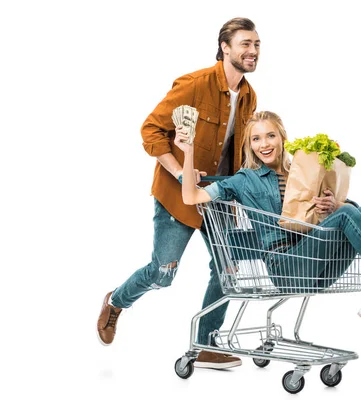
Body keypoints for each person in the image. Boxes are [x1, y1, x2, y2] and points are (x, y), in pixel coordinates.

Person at [175, 111, 361, 337]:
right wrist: (187, 152)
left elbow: (328, 220)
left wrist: (332, 206)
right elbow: (192, 196)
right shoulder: (244, 179)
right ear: (250, 145)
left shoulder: (303, 172)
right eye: (257, 139)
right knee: (349, 214)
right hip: (286, 265)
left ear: (282, 137)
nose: (264, 144)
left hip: (316, 260)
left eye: (270, 135)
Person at [97, 17, 261, 369]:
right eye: (246, 44)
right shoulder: (195, 84)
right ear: (225, 47)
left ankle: (205, 343)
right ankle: (115, 302)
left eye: (257, 44)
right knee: (162, 273)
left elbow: (242, 149)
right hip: (177, 196)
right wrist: (179, 171)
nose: (253, 51)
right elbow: (151, 130)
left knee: (227, 271)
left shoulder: (248, 95)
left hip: (217, 198)